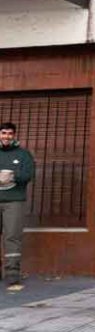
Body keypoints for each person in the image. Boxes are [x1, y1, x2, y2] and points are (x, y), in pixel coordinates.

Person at [0, 122, 34, 292]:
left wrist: (13, 176)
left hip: (14, 201)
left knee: (12, 237)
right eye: (3, 133)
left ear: (14, 135)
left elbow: (29, 175)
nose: (6, 136)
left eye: (10, 133)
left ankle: (12, 275)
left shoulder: (23, 154)